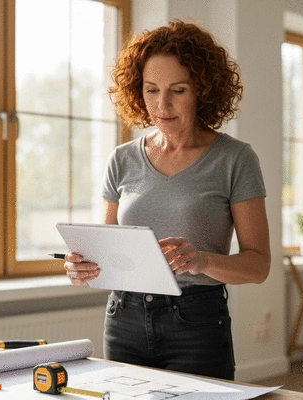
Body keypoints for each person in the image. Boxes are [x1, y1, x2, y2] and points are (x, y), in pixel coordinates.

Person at [64, 20, 271, 380]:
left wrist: (202, 260)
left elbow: (258, 265)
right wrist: (82, 266)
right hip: (123, 319)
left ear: (203, 90)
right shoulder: (122, 159)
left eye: (178, 90)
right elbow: (107, 251)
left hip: (197, 324)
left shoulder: (235, 159)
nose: (162, 105)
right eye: (151, 90)